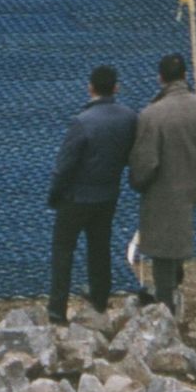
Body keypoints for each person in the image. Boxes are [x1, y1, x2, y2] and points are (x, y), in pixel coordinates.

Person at [127, 51, 196, 318]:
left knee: (162, 253)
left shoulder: (152, 114)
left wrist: (138, 182)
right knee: (178, 241)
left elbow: (145, 164)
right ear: (185, 75)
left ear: (160, 78)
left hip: (162, 193)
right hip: (192, 187)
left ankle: (165, 314)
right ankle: (172, 296)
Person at [45, 63, 138, 325]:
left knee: (63, 250)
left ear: (90, 88)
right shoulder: (129, 117)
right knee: (100, 247)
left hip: (76, 198)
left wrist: (54, 195)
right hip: (107, 195)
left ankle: (57, 309)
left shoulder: (82, 122)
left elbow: (65, 165)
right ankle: (99, 297)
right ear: (116, 88)